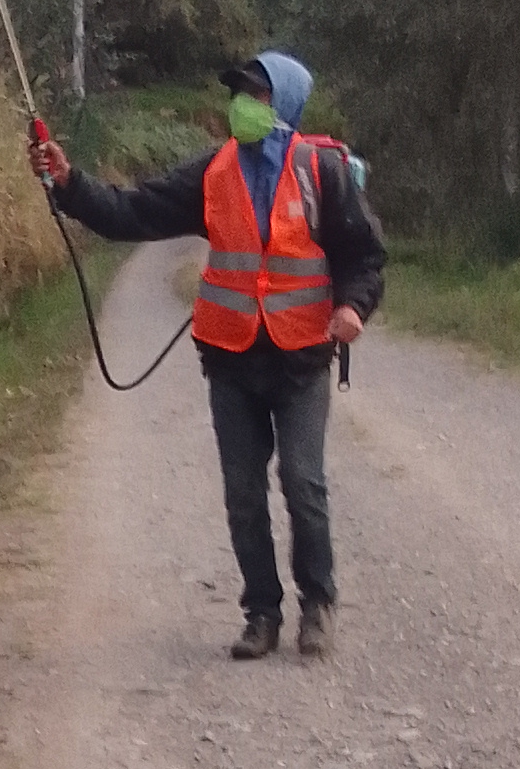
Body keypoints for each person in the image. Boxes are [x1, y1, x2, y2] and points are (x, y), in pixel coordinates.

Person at [30, 51, 384, 658]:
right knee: (243, 494)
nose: (242, 104)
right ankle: (261, 615)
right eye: (238, 92)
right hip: (232, 358)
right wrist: (69, 184)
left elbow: (365, 254)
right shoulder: (212, 173)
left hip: (301, 359)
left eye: (256, 94)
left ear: (285, 104)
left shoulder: (320, 172)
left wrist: (353, 306)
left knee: (303, 484)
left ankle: (318, 605)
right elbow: (132, 212)